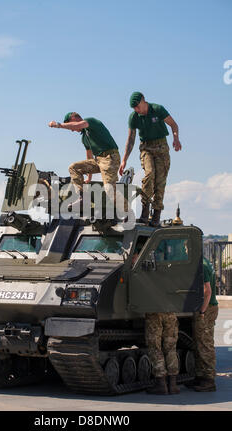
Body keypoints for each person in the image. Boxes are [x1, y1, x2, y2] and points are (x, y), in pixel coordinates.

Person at [119, 92, 182, 227]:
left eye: (138, 106)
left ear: (143, 101)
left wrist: (176, 138)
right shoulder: (134, 117)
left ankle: (157, 212)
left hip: (161, 147)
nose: (137, 110)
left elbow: (173, 125)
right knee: (149, 175)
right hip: (146, 148)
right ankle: (145, 210)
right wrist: (124, 160)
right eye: (134, 108)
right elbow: (130, 139)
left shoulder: (157, 109)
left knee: (160, 181)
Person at [48, 112, 121, 211]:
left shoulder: (90, 121)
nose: (72, 130)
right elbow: (89, 156)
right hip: (98, 160)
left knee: (109, 190)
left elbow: (78, 125)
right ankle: (83, 198)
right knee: (74, 167)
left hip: (110, 157)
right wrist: (89, 177)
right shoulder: (84, 138)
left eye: (71, 127)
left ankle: (124, 212)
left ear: (74, 119)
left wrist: (58, 125)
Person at [190, 257, 219, 392]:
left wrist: (202, 311)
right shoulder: (205, 261)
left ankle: (209, 380)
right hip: (207, 307)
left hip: (206, 308)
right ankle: (200, 376)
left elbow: (207, 291)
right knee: (199, 343)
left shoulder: (201, 265)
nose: (185, 249)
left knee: (205, 344)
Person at [145, 312, 180, 395]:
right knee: (171, 348)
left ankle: (161, 383)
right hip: (170, 311)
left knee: (155, 347)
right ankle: (173, 385)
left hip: (154, 311)